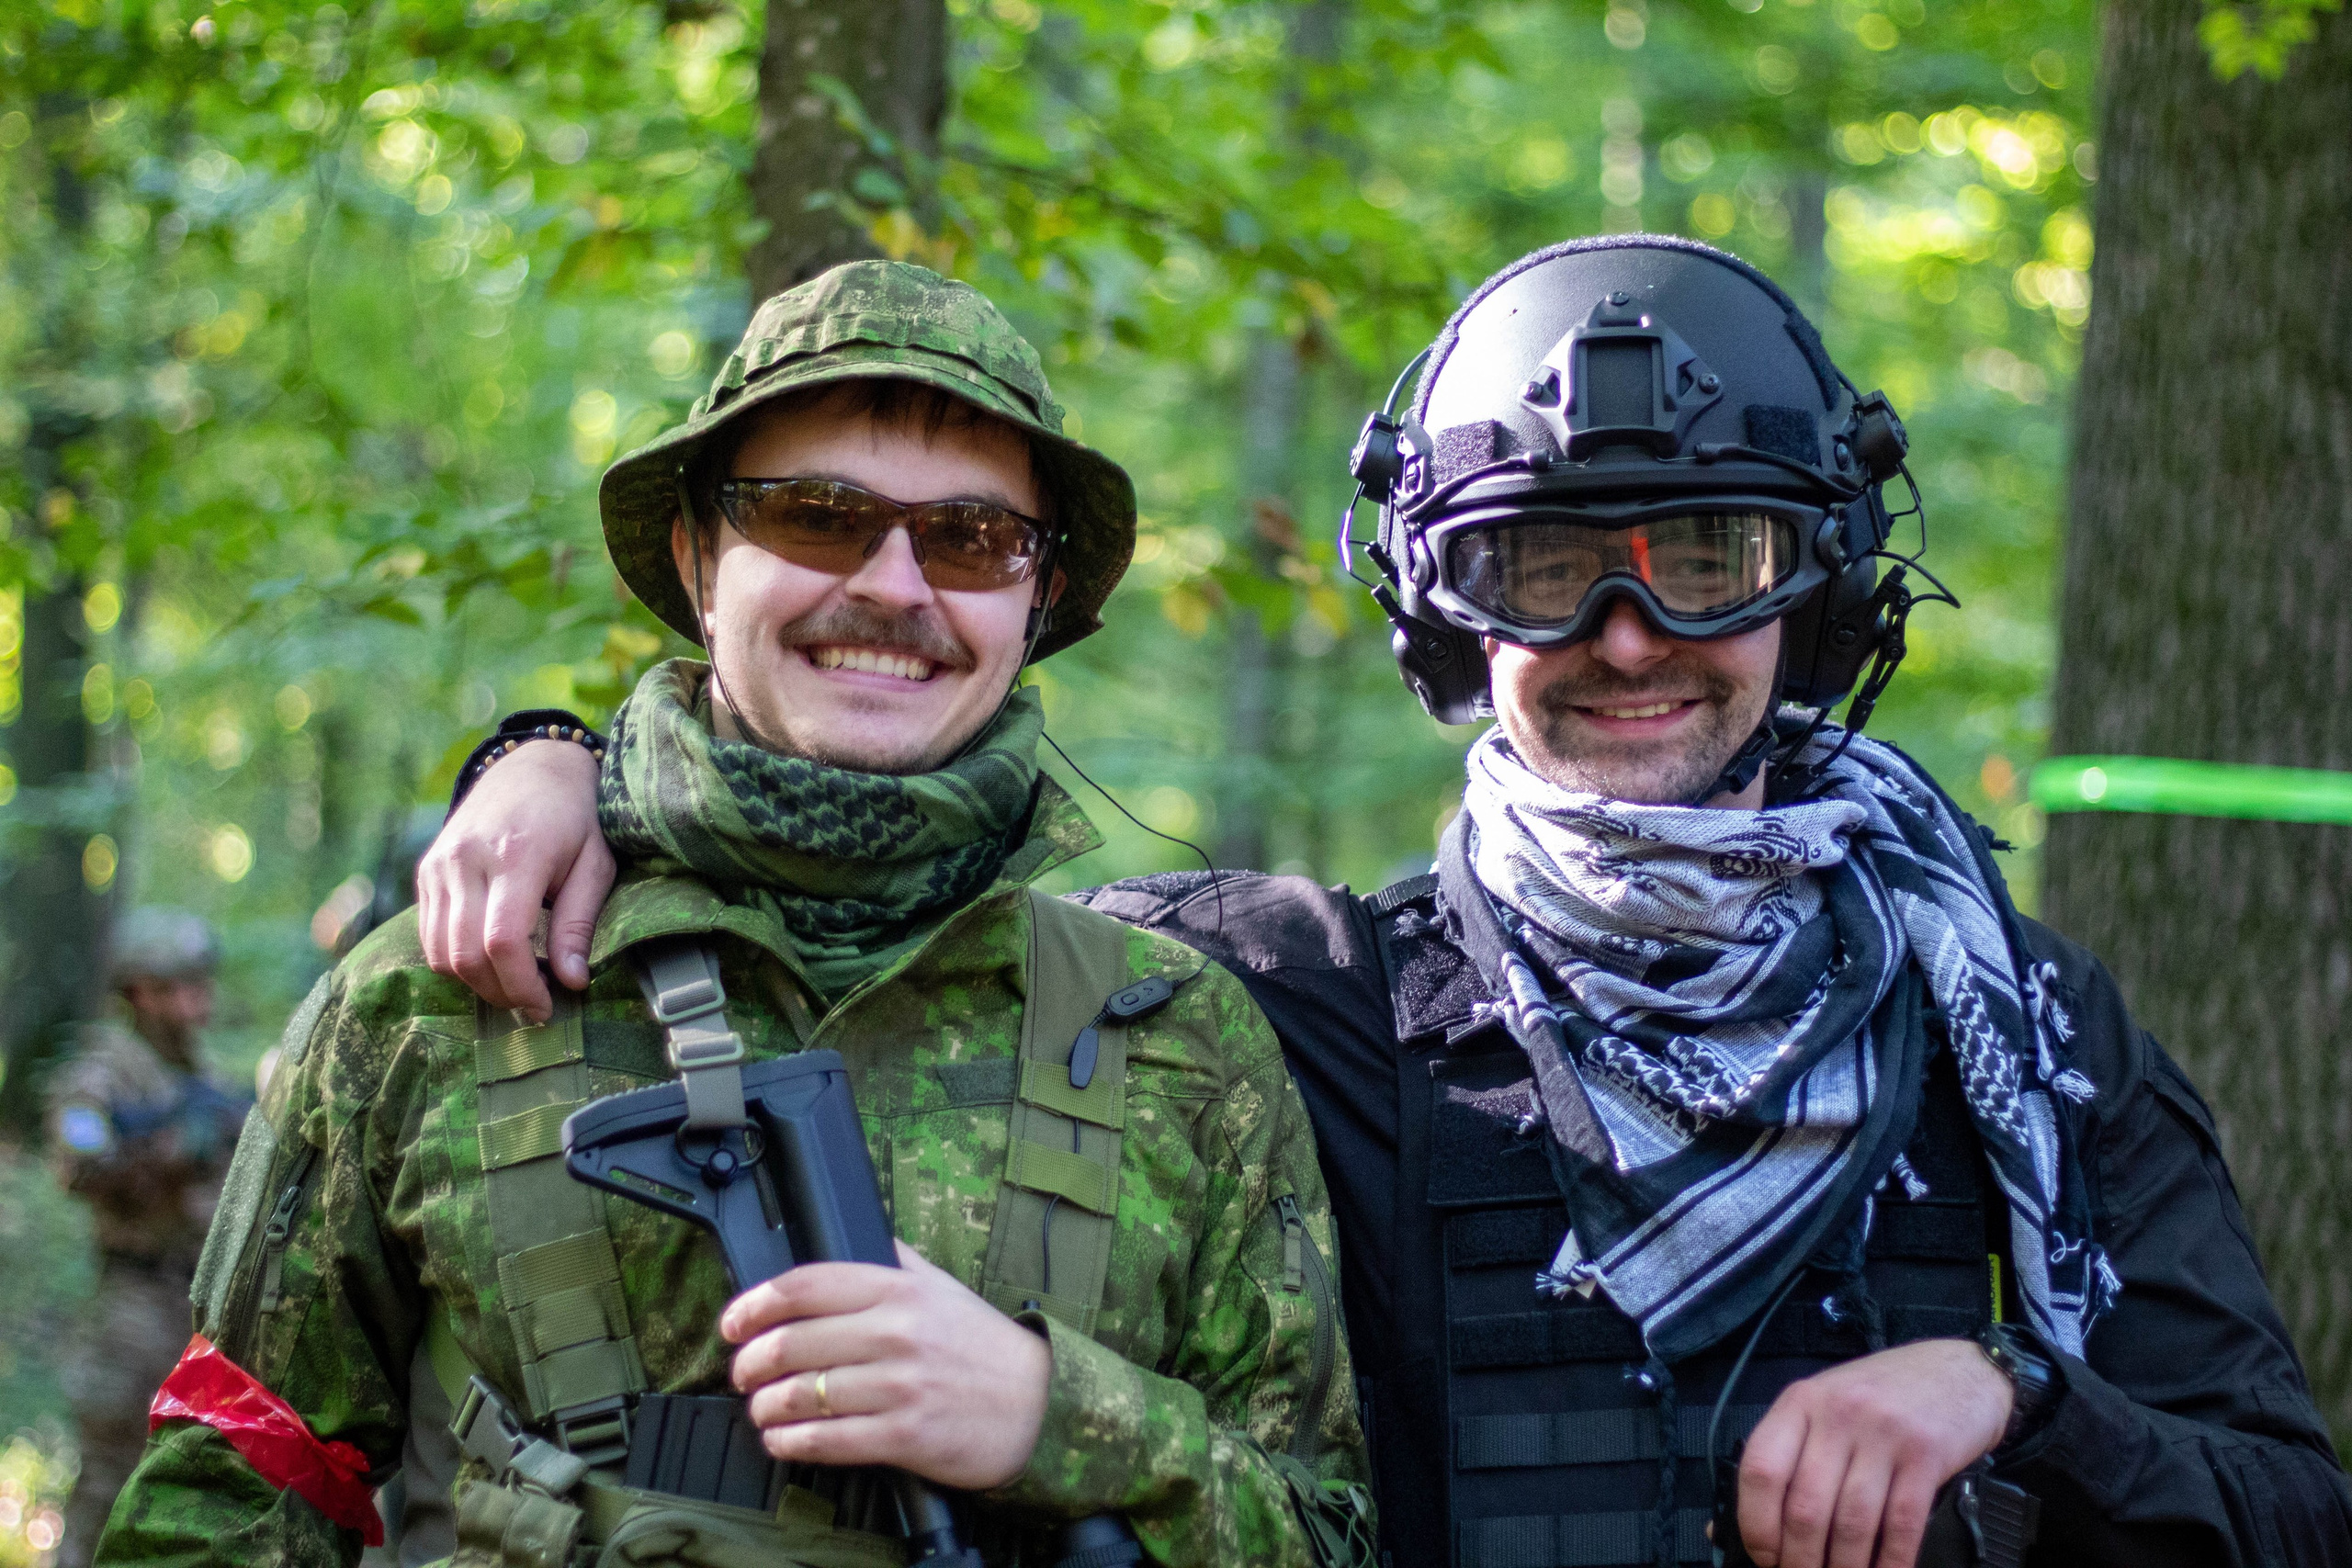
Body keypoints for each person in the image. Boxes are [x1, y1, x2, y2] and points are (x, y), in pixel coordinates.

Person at [413, 238, 2352, 1568]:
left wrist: (2015, 1393)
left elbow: (2283, 1505)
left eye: (1704, 554)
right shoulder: (1279, 1000)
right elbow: (864, 908)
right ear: (1443, 617)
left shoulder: (2016, 1026)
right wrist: (566, 764)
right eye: (1537, 571)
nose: (1624, 637)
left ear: (1817, 591)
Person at [99, 260, 1374, 1568]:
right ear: (701, 556)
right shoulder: (436, 989)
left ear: (1036, 597)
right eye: (818, 515)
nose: (893, 583)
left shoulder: (1177, 1039)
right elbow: (229, 1489)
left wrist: (1061, 1415)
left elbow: (1329, 1531)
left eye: (972, 538)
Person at [47, 907, 246, 1568]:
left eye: (201, 982)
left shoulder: (203, 1076)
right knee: (107, 1487)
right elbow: (81, 1163)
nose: (199, 1000)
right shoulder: (101, 1075)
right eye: (180, 984)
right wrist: (172, 1151)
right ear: (138, 991)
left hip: (202, 1309)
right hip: (132, 1307)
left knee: (192, 1497)